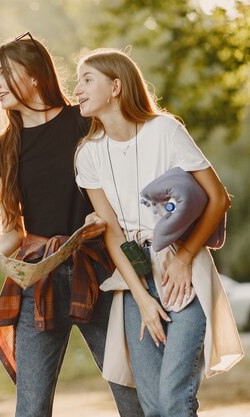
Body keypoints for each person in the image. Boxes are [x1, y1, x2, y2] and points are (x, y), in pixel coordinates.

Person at [0, 33, 144, 417]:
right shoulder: (1, 150)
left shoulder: (84, 122)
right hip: (37, 278)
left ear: (34, 75)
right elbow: (11, 229)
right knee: (30, 406)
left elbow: (126, 175)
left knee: (132, 393)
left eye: (2, 73)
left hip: (97, 269)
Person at [74, 48, 243, 417]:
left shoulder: (165, 130)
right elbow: (112, 233)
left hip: (183, 270)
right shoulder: (88, 154)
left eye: (87, 80)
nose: (77, 89)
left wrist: (183, 259)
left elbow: (217, 198)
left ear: (116, 86)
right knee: (151, 407)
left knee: (174, 401)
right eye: (78, 81)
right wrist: (142, 299)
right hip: (135, 280)